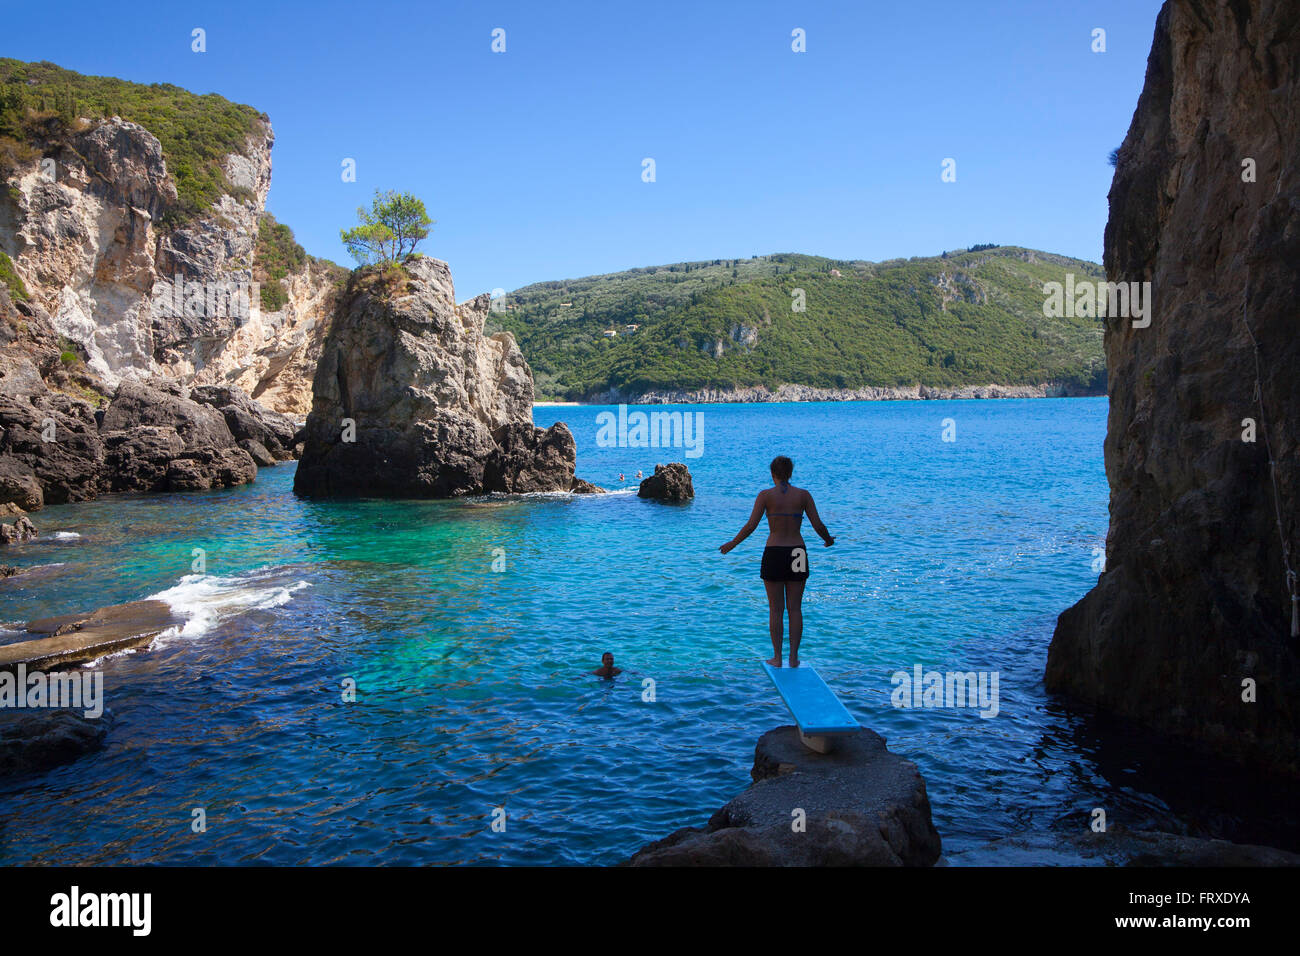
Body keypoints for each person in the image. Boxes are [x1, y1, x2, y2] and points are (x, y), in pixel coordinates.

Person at [719, 455, 834, 667]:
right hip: (797, 553)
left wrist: (732, 544)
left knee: (776, 609)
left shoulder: (765, 496)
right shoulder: (803, 495)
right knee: (795, 608)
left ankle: (777, 658)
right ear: (790, 473)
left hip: (774, 552)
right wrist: (828, 540)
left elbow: (751, 526)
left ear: (772, 474)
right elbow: (818, 524)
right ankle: (793, 658)